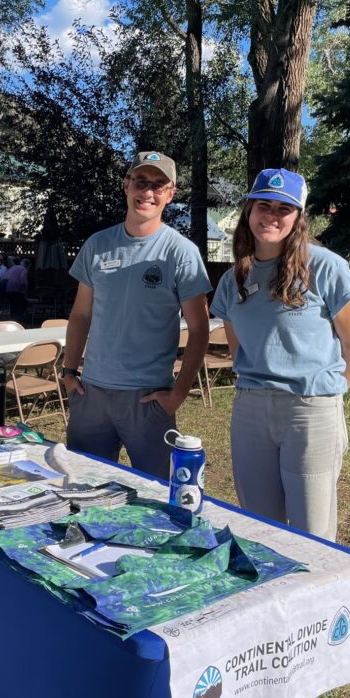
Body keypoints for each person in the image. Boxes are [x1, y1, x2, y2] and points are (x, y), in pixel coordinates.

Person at [209, 168, 350, 541]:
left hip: (310, 411)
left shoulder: (326, 267)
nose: (272, 215)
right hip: (251, 411)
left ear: (298, 218)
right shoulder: (233, 279)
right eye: (263, 205)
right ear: (248, 211)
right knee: (259, 528)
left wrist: (326, 395)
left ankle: (316, 599)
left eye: (284, 208)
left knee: (311, 530)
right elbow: (238, 348)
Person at [62, 152, 211, 480]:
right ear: (126, 185)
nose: (148, 192)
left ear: (170, 194)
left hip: (148, 399)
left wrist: (178, 395)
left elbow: (200, 329)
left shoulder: (181, 253)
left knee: (155, 498)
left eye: (158, 186)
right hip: (92, 394)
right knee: (83, 489)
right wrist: (69, 372)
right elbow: (81, 314)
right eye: (141, 182)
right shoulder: (98, 245)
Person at [5, 257, 30, 324]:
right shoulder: (24, 269)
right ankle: (19, 319)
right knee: (23, 303)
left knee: (13, 304)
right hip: (15, 289)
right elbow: (22, 280)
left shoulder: (12, 267)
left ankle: (13, 318)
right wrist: (23, 291)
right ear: (27, 265)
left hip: (6, 288)